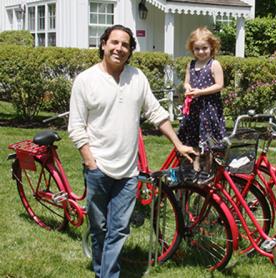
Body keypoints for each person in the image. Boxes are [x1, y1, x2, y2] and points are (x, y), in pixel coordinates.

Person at [68, 24, 196, 278]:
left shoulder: (137, 77)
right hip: (98, 170)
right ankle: (101, 271)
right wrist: (90, 162)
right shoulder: (86, 80)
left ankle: (108, 275)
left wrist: (178, 144)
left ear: (130, 50)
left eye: (125, 44)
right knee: (99, 229)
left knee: (119, 230)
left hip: (128, 172)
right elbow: (76, 127)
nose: (119, 48)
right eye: (114, 42)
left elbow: (156, 114)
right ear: (103, 44)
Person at [177, 27, 226, 182]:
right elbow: (186, 82)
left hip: (209, 109)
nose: (201, 52)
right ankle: (196, 166)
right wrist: (188, 88)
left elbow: (219, 85)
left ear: (212, 47)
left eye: (204, 48)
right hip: (194, 109)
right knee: (194, 137)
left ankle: (208, 169)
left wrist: (200, 92)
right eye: (197, 49)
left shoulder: (214, 64)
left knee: (209, 139)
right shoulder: (191, 65)